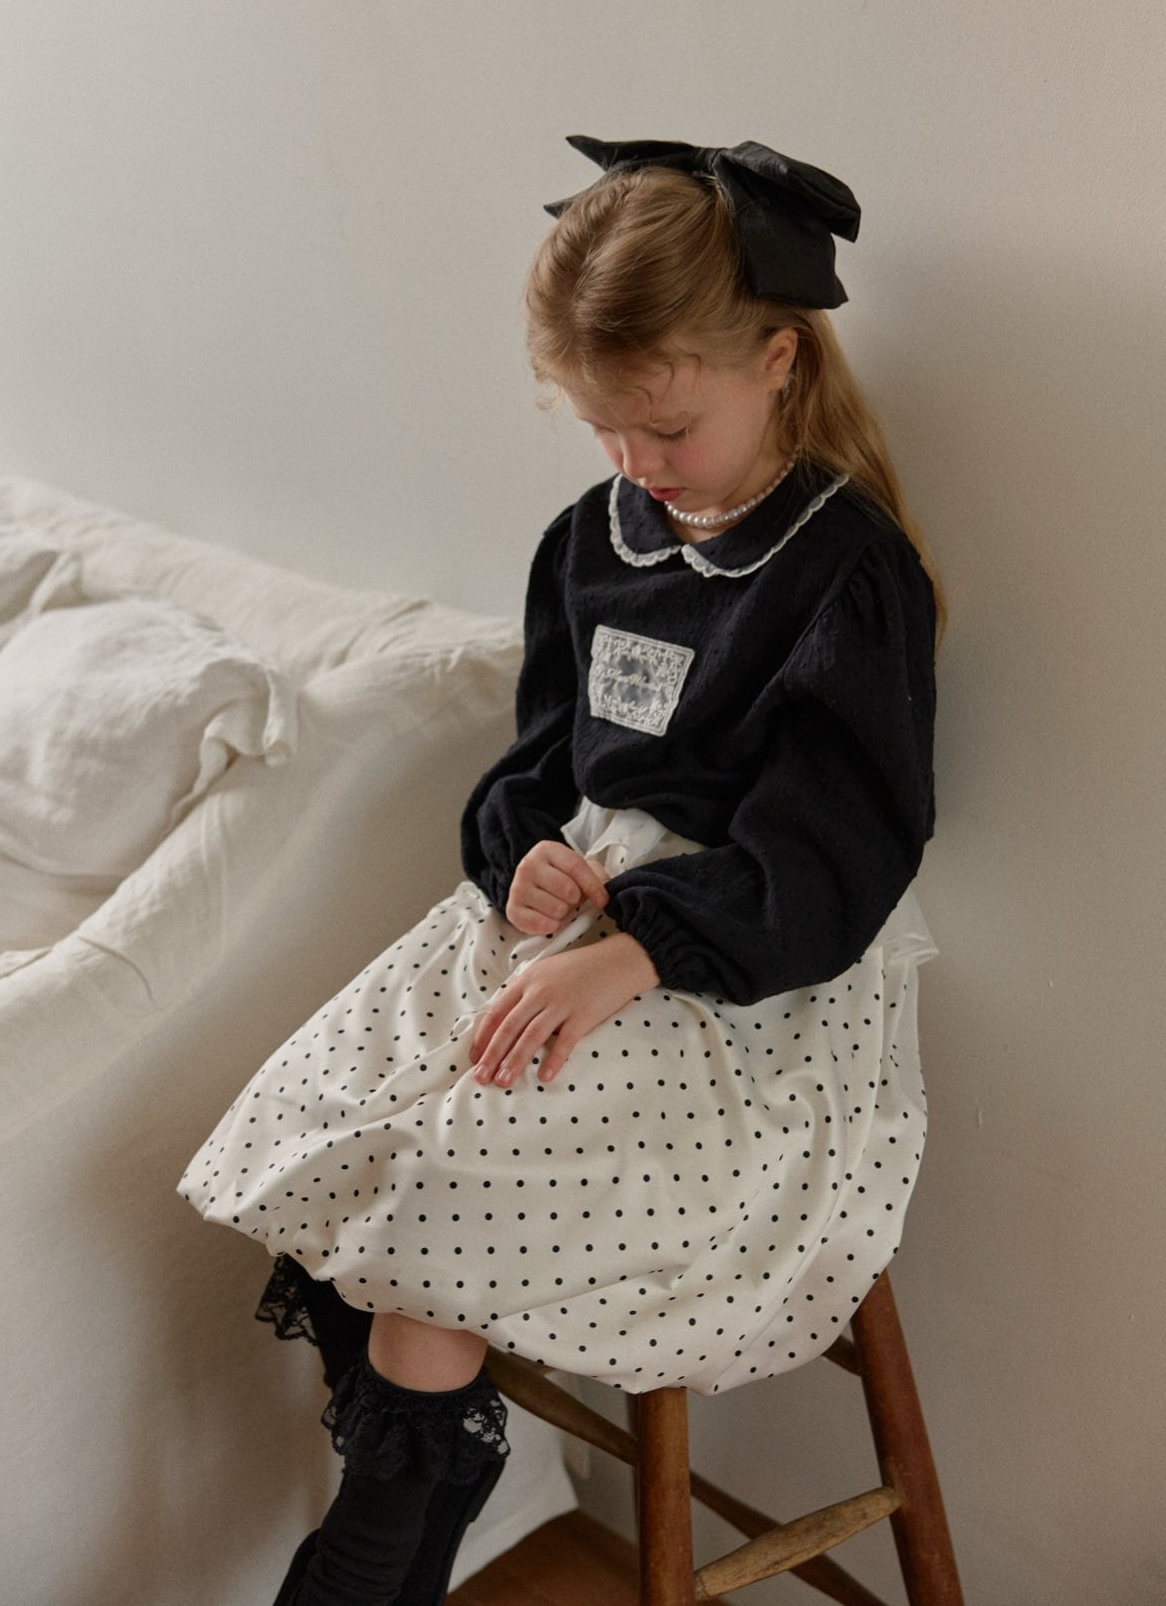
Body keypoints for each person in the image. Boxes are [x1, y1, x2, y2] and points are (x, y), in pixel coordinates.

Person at [178, 134, 942, 1606]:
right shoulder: (589, 538)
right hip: (572, 912)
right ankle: (421, 1488)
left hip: (739, 969)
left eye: (669, 429)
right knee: (326, 1116)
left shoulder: (844, 574)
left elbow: (844, 847)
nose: (637, 465)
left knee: (439, 1189)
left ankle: (369, 1563)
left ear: (778, 359)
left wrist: (637, 949)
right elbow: (545, 756)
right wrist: (521, 853)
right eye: (606, 430)